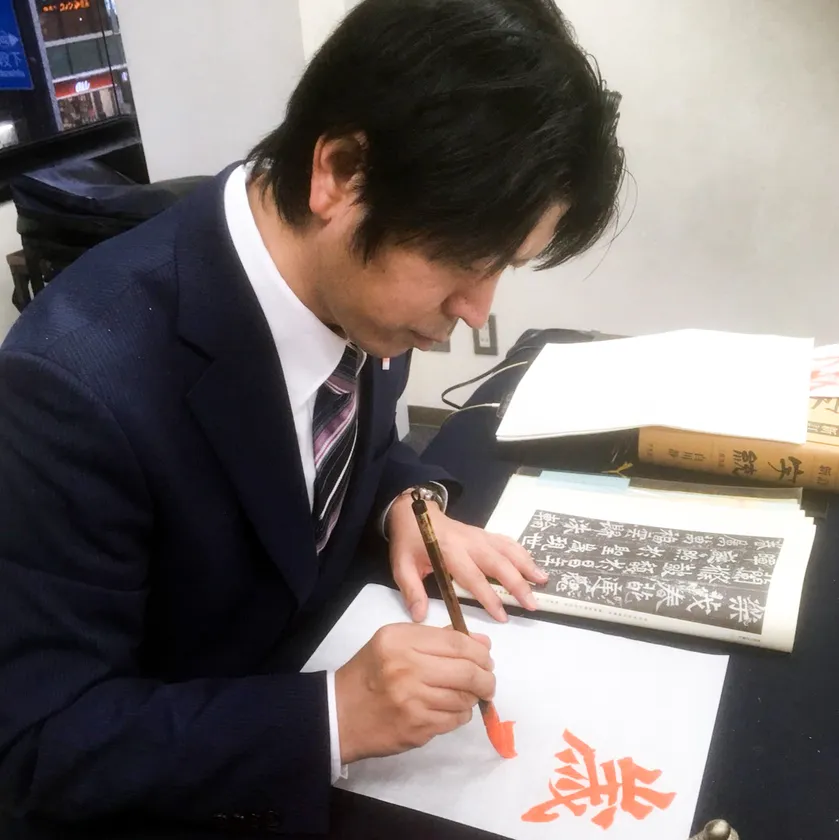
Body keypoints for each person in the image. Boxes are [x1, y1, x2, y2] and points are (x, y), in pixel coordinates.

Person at [0, 0, 624, 833]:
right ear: (339, 171)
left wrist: (406, 501)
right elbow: (40, 749)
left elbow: (327, 443)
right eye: (461, 259)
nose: (475, 310)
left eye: (503, 266)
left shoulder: (357, 294)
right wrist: (334, 715)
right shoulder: (69, 390)